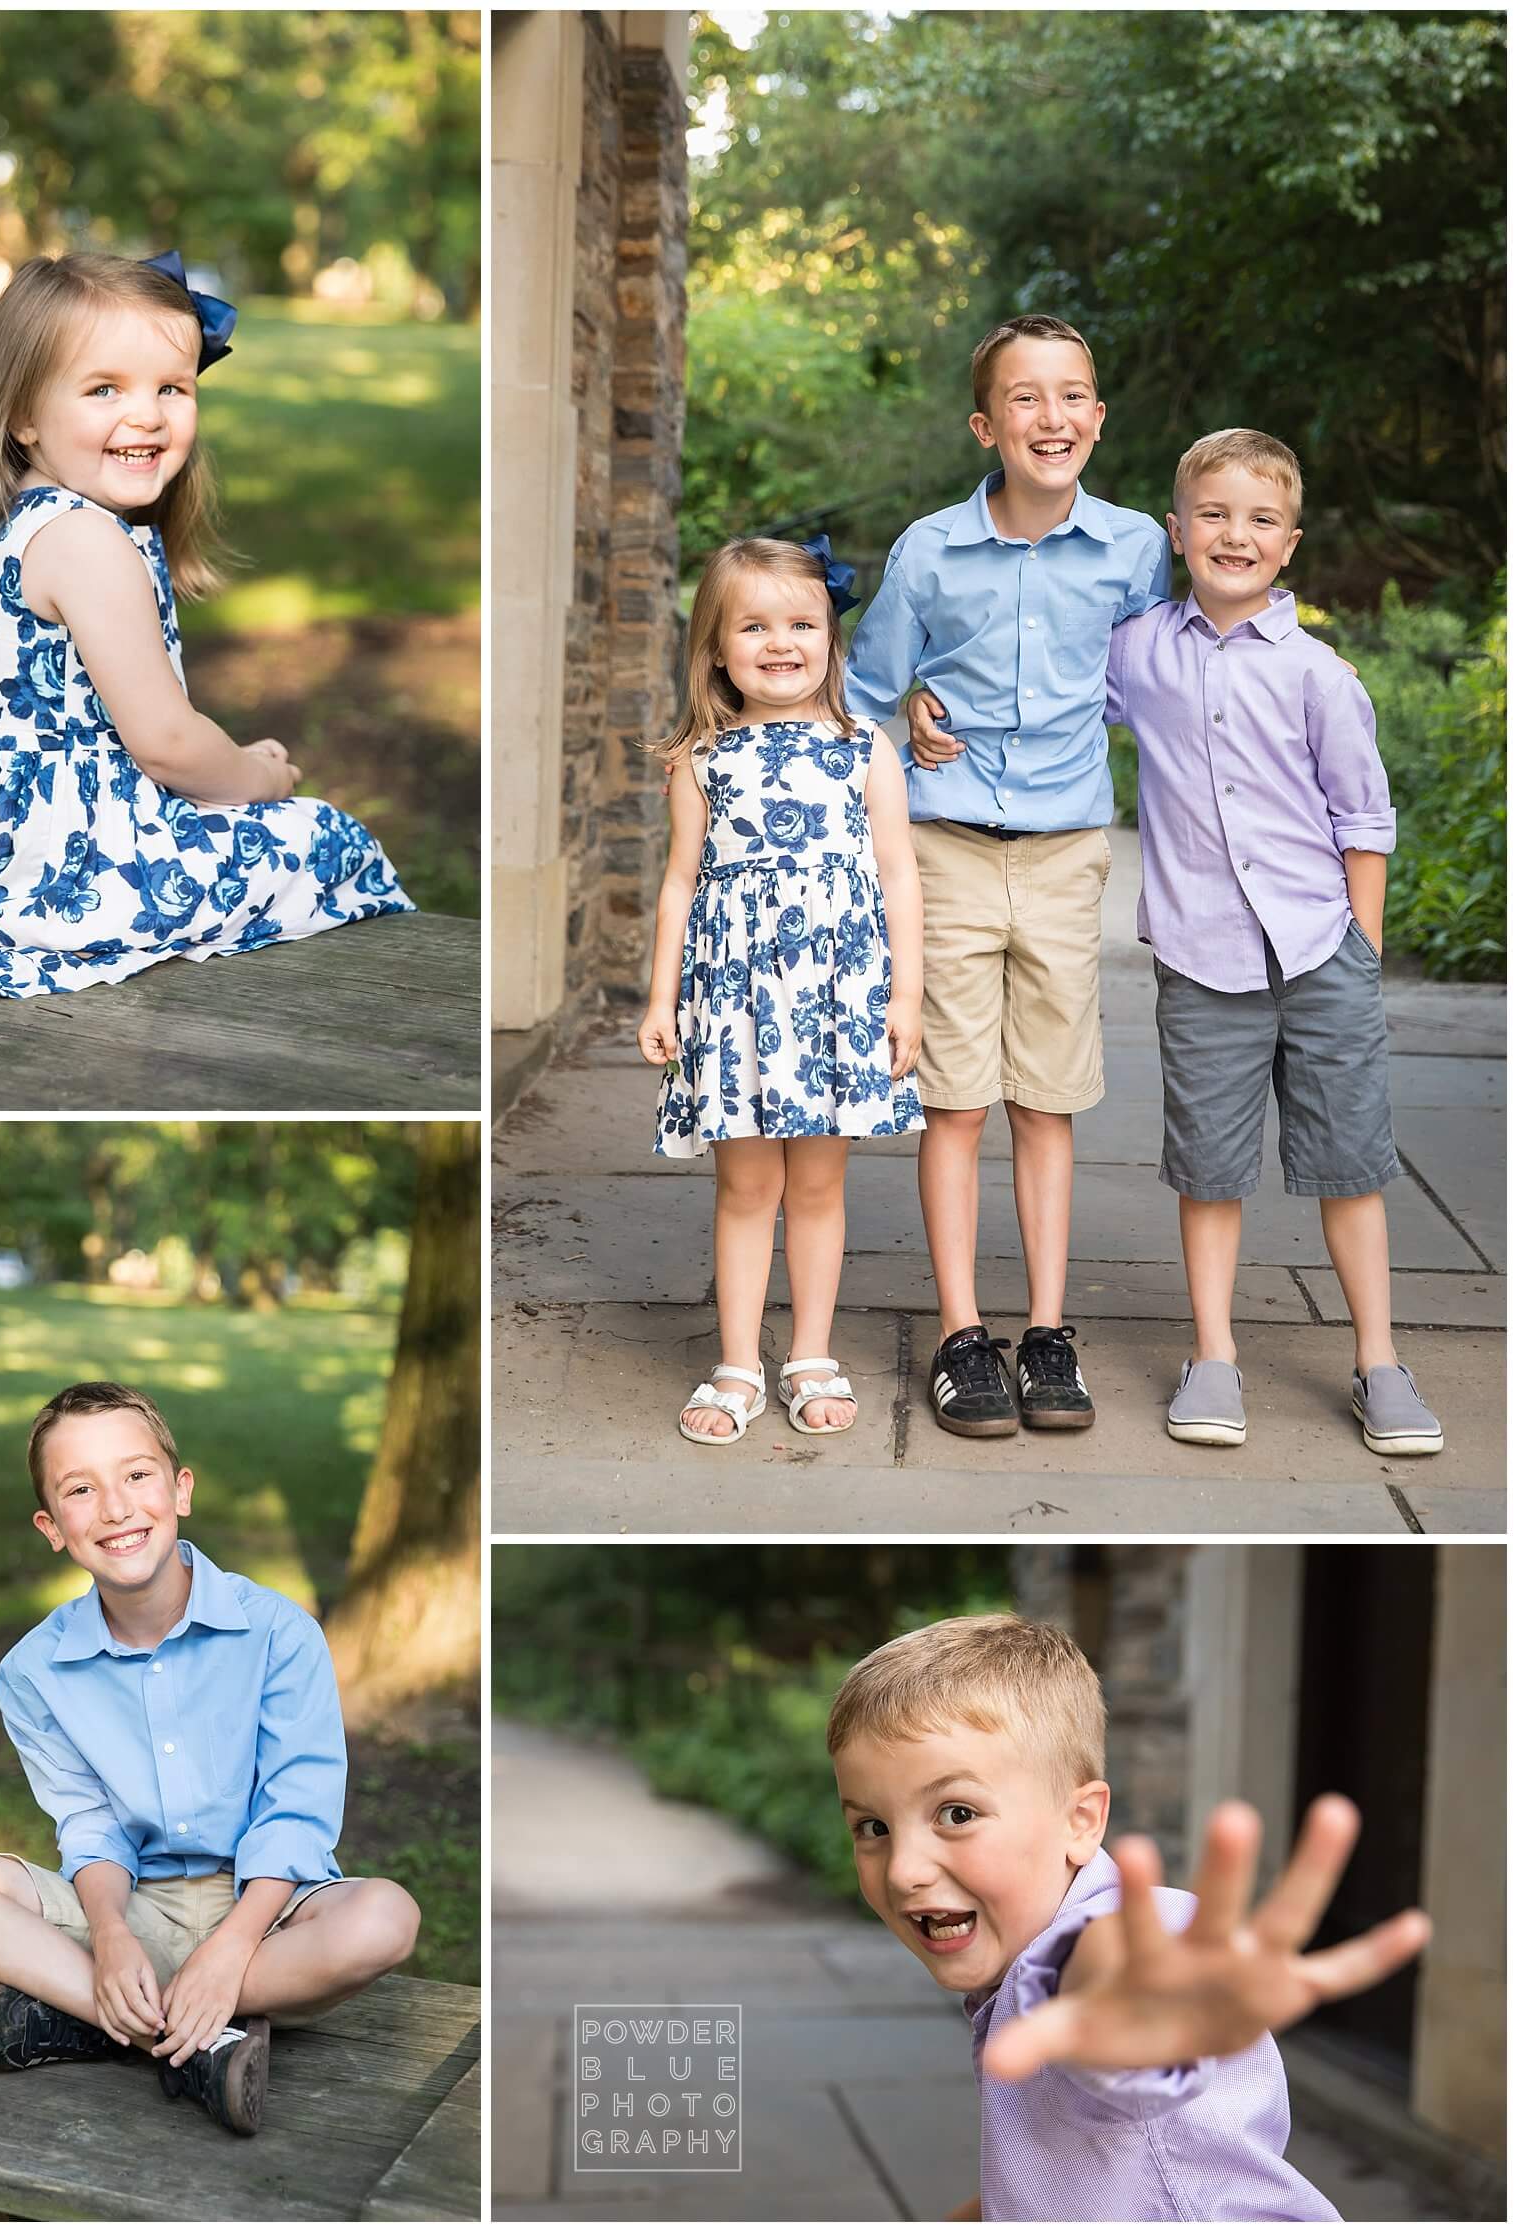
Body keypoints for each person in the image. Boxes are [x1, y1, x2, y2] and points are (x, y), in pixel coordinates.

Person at [0, 251, 412, 999]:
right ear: (23, 416)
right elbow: (168, 746)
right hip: (72, 878)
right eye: (105, 387)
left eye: (172, 387)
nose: (147, 414)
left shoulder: (25, 521)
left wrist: (228, 763)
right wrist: (258, 777)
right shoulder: (87, 542)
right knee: (333, 840)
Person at [0, 1382, 420, 2135]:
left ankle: (103, 2016)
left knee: (385, 1919)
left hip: (268, 1913)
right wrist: (110, 1937)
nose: (115, 1507)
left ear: (180, 1489)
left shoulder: (280, 1634)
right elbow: (89, 1825)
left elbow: (295, 1815)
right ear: (52, 1527)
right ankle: (188, 2036)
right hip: (133, 1905)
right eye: (80, 1489)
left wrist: (231, 1948)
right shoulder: (33, 1671)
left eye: (137, 1475)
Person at [829, 1613, 1431, 2222]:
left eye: (956, 1814)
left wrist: (1137, 2008)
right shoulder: (1019, 1950)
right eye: (872, 1827)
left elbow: (1096, 1966)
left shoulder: (1100, 1937)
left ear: (1081, 1821)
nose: (904, 1869)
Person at [845, 315, 1170, 1440]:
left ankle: (1045, 1332)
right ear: (986, 425)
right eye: (1024, 399)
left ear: (1096, 417)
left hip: (1069, 850)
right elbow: (865, 689)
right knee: (957, 1100)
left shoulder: (1133, 549)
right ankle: (960, 1335)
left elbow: (1150, 679)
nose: (1051, 416)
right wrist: (906, 708)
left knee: (1048, 1097)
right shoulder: (929, 552)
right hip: (946, 848)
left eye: (1070, 395)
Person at [1108, 429, 1444, 1457]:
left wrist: (1361, 947)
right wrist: (929, 706)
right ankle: (1213, 1357)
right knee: (1208, 1171)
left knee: (1351, 1163)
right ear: (1176, 531)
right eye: (1212, 514)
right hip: (1201, 956)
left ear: (1289, 544)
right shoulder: (1135, 652)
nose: (1234, 534)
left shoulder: (1319, 677)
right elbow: (1042, 701)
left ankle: (1379, 1361)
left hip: (1318, 951)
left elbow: (1364, 816)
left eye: (1259, 519)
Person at [637, 535, 926, 1444]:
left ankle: (809, 1354)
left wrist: (906, 998)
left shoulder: (862, 749)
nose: (780, 642)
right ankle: (733, 1362)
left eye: (802, 623)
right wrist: (659, 998)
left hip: (837, 1000)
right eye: (753, 626)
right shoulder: (702, 756)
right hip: (735, 1004)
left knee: (818, 1186)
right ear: (716, 649)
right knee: (745, 1185)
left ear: (831, 640)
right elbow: (680, 879)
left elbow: (900, 875)